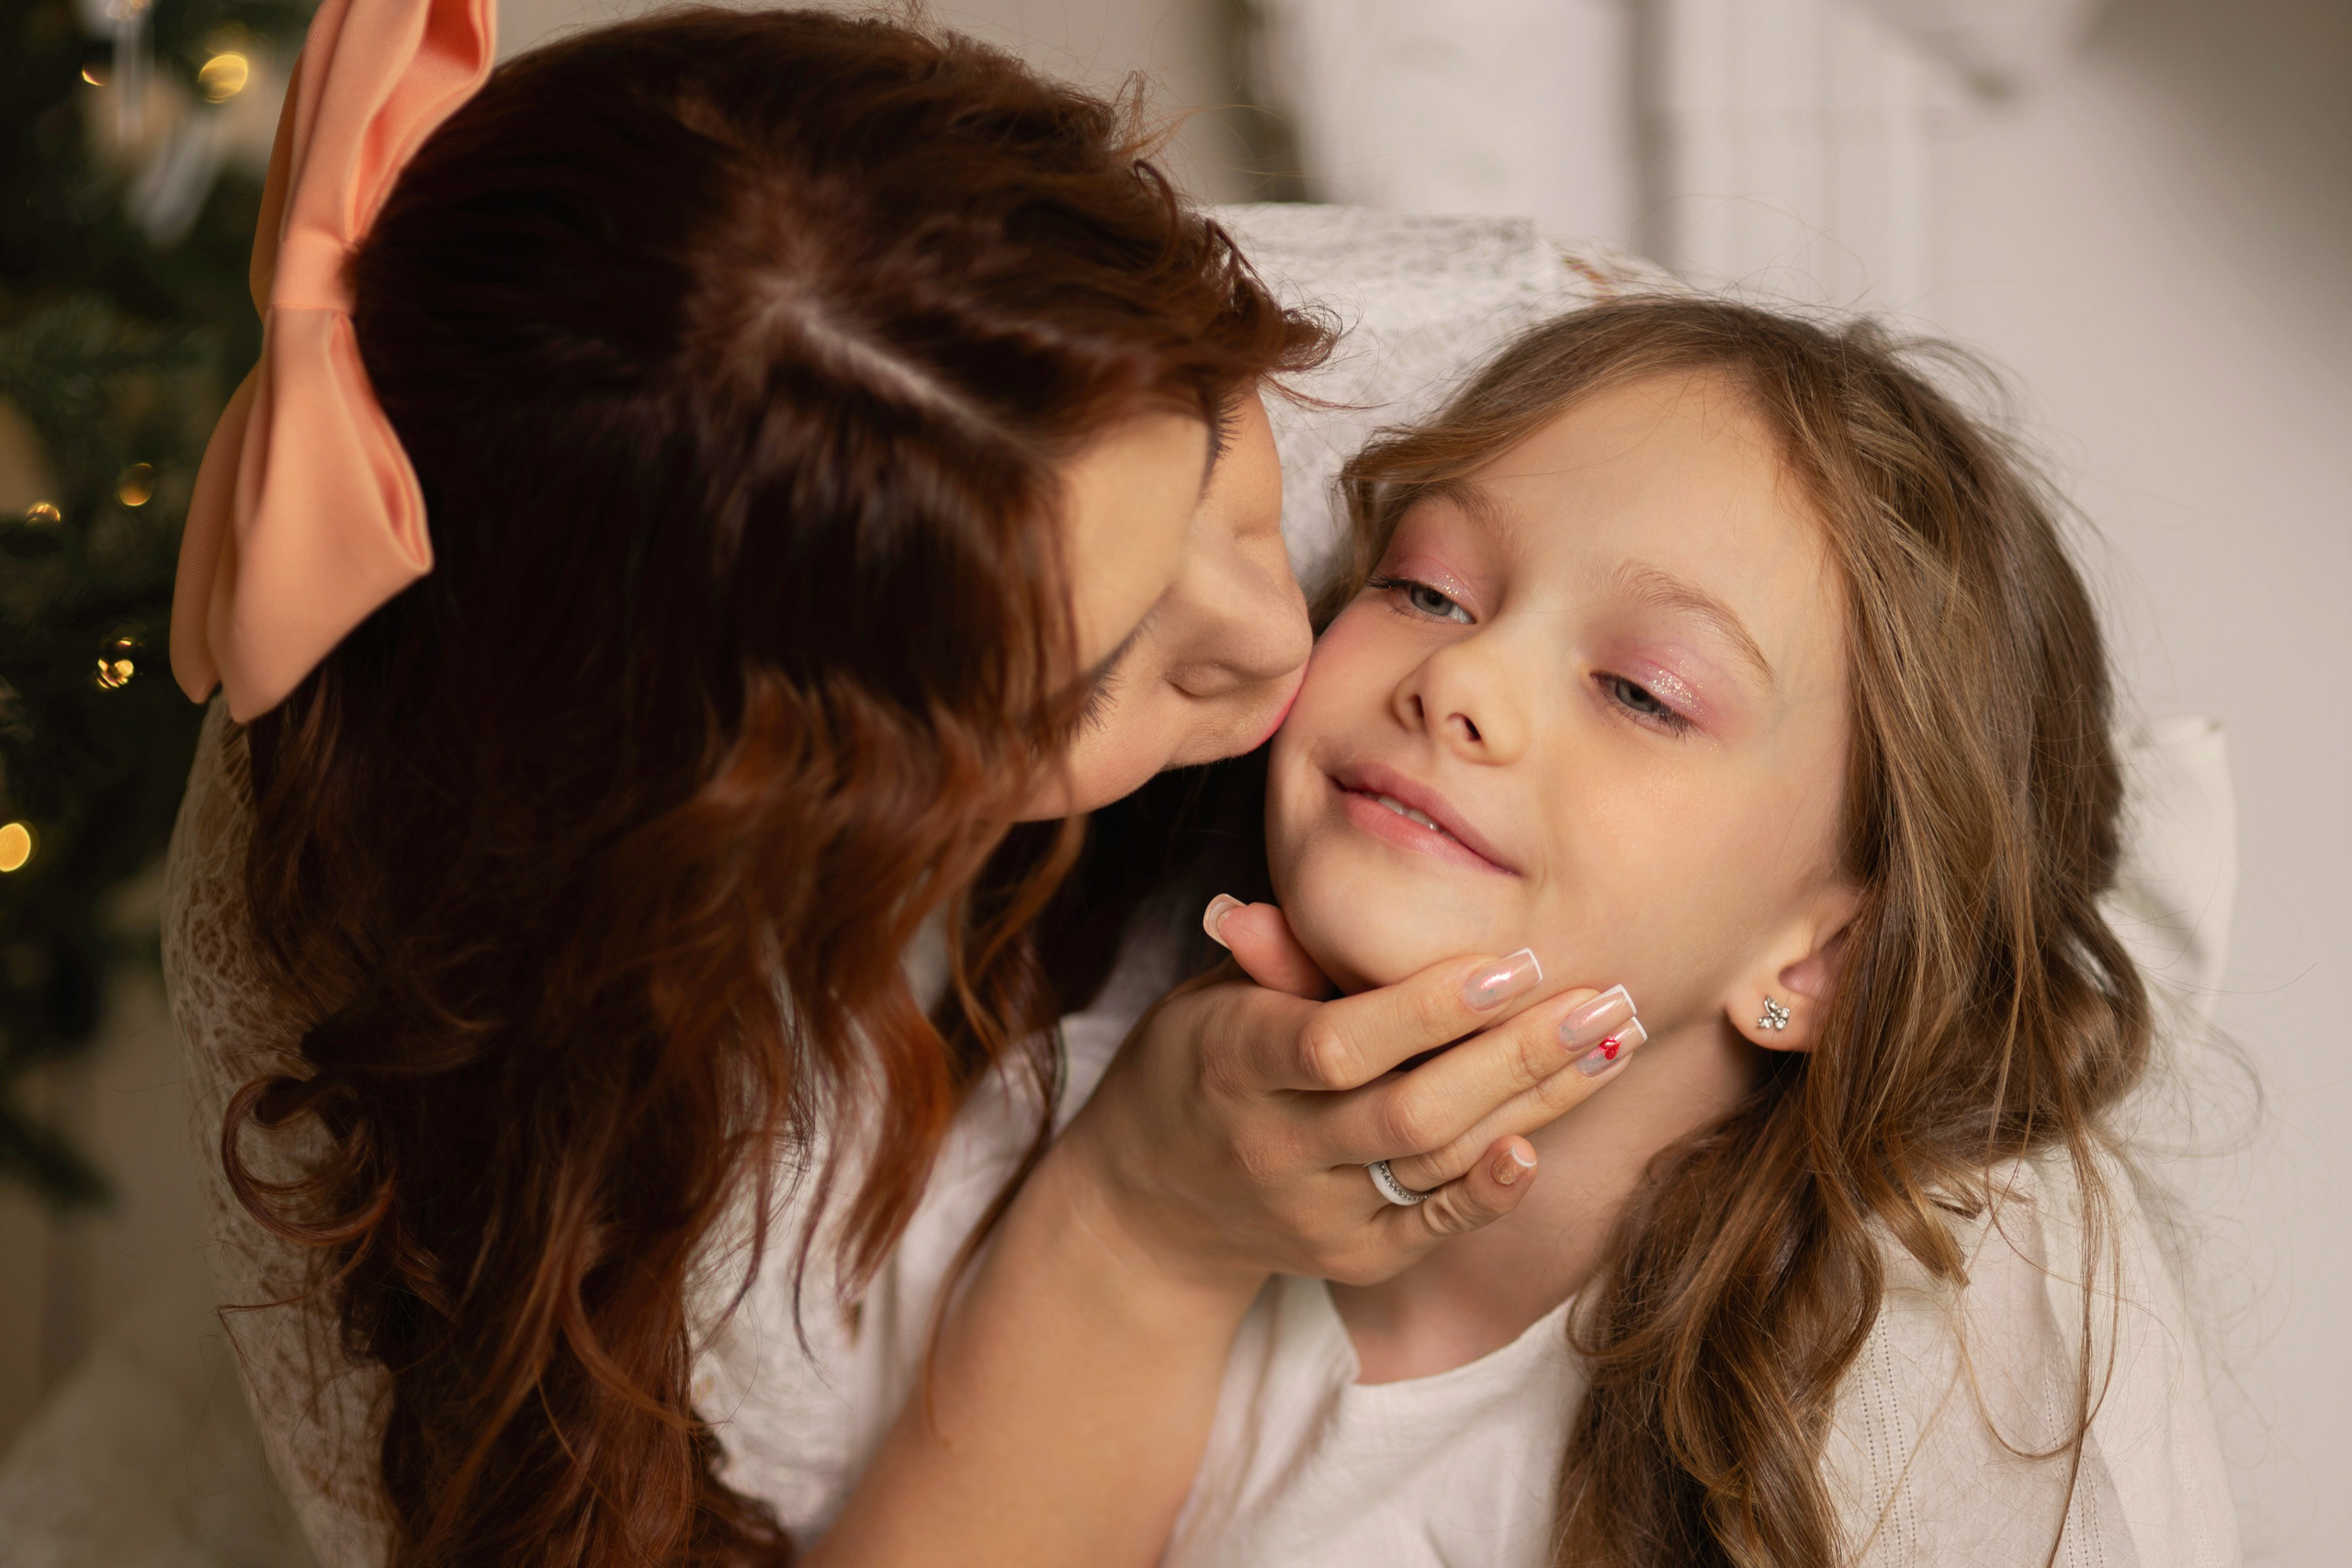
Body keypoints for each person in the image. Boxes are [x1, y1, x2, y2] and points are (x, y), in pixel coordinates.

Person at [162, 4, 1648, 1564]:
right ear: (756, 817)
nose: (1280, 637)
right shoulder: (465, 1090)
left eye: (1216, 437)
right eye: (1082, 682)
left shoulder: (1478, 376)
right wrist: (1141, 1224)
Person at [729, 297, 2240, 1567]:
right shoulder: (1024, 1126)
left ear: (1825, 961)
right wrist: (1135, 1225)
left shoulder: (1958, 1364)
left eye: (1643, 691)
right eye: (1428, 587)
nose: (1466, 682)